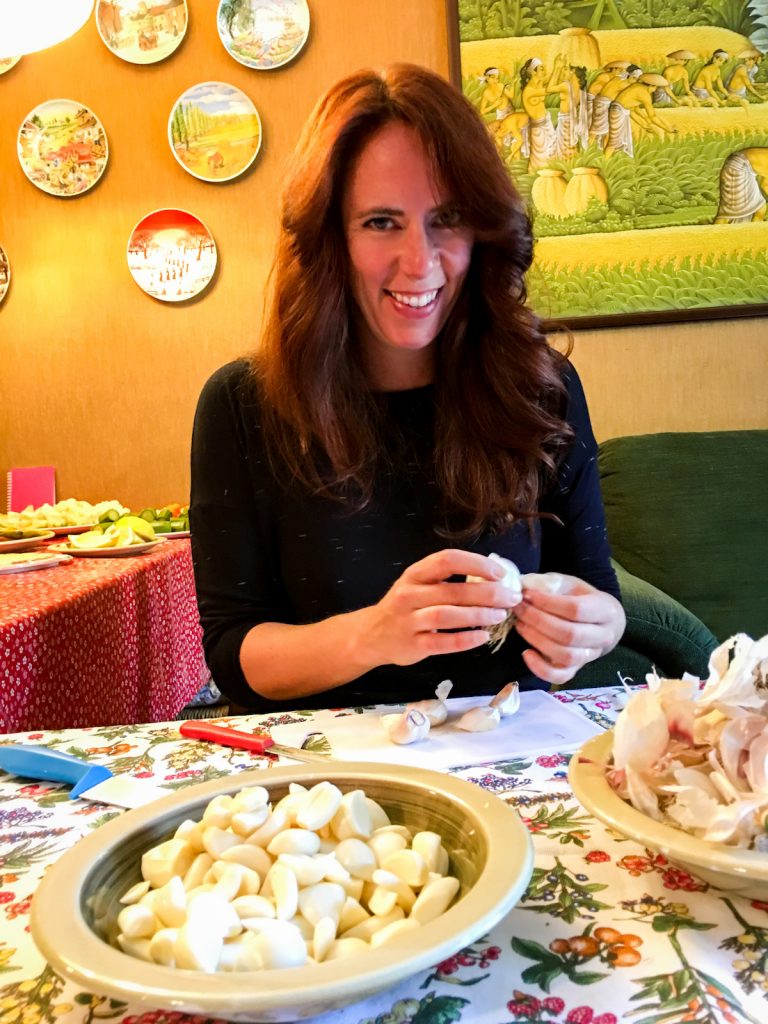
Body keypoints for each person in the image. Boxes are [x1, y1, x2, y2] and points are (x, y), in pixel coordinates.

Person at [190, 63, 625, 712]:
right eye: (382, 223)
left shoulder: (542, 388)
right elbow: (234, 656)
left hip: (507, 749)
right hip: (324, 779)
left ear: (483, 231)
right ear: (328, 237)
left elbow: (601, 596)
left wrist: (592, 629)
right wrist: (376, 634)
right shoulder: (241, 406)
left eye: (446, 219)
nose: (421, 263)